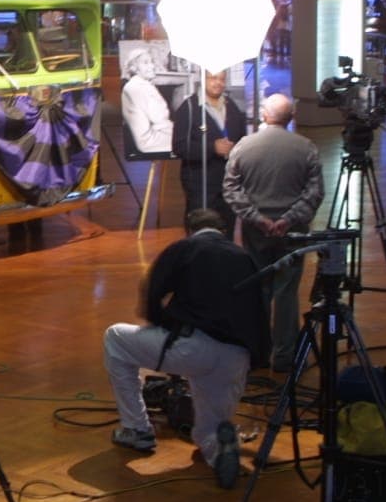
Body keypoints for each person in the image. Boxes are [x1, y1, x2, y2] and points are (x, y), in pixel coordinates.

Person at [103, 209, 268, 489]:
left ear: (189, 230)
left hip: (192, 348)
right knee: (206, 432)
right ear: (223, 231)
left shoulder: (184, 248)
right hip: (236, 356)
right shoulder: (245, 257)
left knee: (115, 338)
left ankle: (137, 429)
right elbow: (262, 312)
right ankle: (219, 448)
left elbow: (152, 295)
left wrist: (163, 325)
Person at [223, 93, 324, 371]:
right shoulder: (306, 148)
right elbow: (315, 193)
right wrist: (288, 220)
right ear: (291, 117)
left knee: (259, 290)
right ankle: (284, 356)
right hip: (293, 233)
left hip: (257, 233)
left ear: (264, 115)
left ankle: (257, 352)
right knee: (287, 293)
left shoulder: (245, 146)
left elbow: (231, 189)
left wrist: (258, 219)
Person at [171, 70, 247, 235]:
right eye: (213, 78)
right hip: (200, 184)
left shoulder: (232, 106)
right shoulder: (189, 108)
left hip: (228, 183)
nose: (218, 82)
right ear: (203, 80)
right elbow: (179, 147)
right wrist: (212, 147)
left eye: (222, 79)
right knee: (201, 233)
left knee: (227, 231)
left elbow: (242, 139)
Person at [121, 48, 173, 154]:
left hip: (154, 135)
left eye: (152, 62)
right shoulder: (138, 87)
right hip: (151, 141)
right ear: (134, 68)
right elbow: (159, 117)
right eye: (146, 63)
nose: (152, 66)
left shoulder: (138, 85)